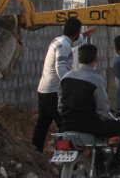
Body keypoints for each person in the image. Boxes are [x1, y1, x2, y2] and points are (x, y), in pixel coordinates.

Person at [59, 43, 120, 175]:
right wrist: (109, 119)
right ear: (96, 59)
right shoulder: (97, 80)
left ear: (79, 59)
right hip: (89, 126)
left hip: (66, 125)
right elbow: (102, 111)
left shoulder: (66, 78)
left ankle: (99, 168)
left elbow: (60, 105)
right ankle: (115, 165)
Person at [31, 17, 93, 150]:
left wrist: (85, 35)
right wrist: (69, 85)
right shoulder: (64, 45)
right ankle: (64, 155)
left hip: (44, 89)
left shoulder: (58, 41)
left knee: (43, 123)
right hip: (54, 91)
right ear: (76, 32)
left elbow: (74, 42)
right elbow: (61, 66)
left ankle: (36, 150)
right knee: (64, 124)